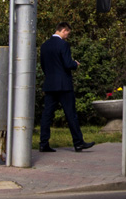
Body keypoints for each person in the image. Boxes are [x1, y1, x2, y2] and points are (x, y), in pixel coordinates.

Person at [38, 22, 93, 153]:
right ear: (63, 30)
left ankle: (43, 143)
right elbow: (67, 64)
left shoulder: (44, 46)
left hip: (50, 84)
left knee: (47, 115)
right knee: (70, 114)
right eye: (68, 33)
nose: (68, 35)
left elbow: (43, 65)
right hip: (64, 85)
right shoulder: (63, 45)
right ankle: (78, 143)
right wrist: (75, 63)